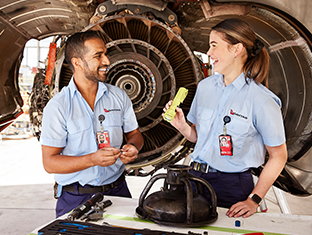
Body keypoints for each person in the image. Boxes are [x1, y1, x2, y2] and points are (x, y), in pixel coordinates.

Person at [163, 18, 287, 218]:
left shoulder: (262, 100)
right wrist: (183, 126)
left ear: (236, 49)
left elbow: (279, 156)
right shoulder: (205, 87)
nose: (209, 52)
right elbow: (197, 137)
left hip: (232, 186)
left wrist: (254, 199)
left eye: (214, 45)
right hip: (194, 178)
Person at [40, 30, 144, 218]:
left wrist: (133, 146)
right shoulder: (58, 107)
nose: (107, 61)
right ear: (77, 62)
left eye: (105, 54)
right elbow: (49, 162)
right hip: (76, 198)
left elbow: (135, 134)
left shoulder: (118, 96)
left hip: (117, 193)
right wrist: (92, 160)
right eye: (98, 56)